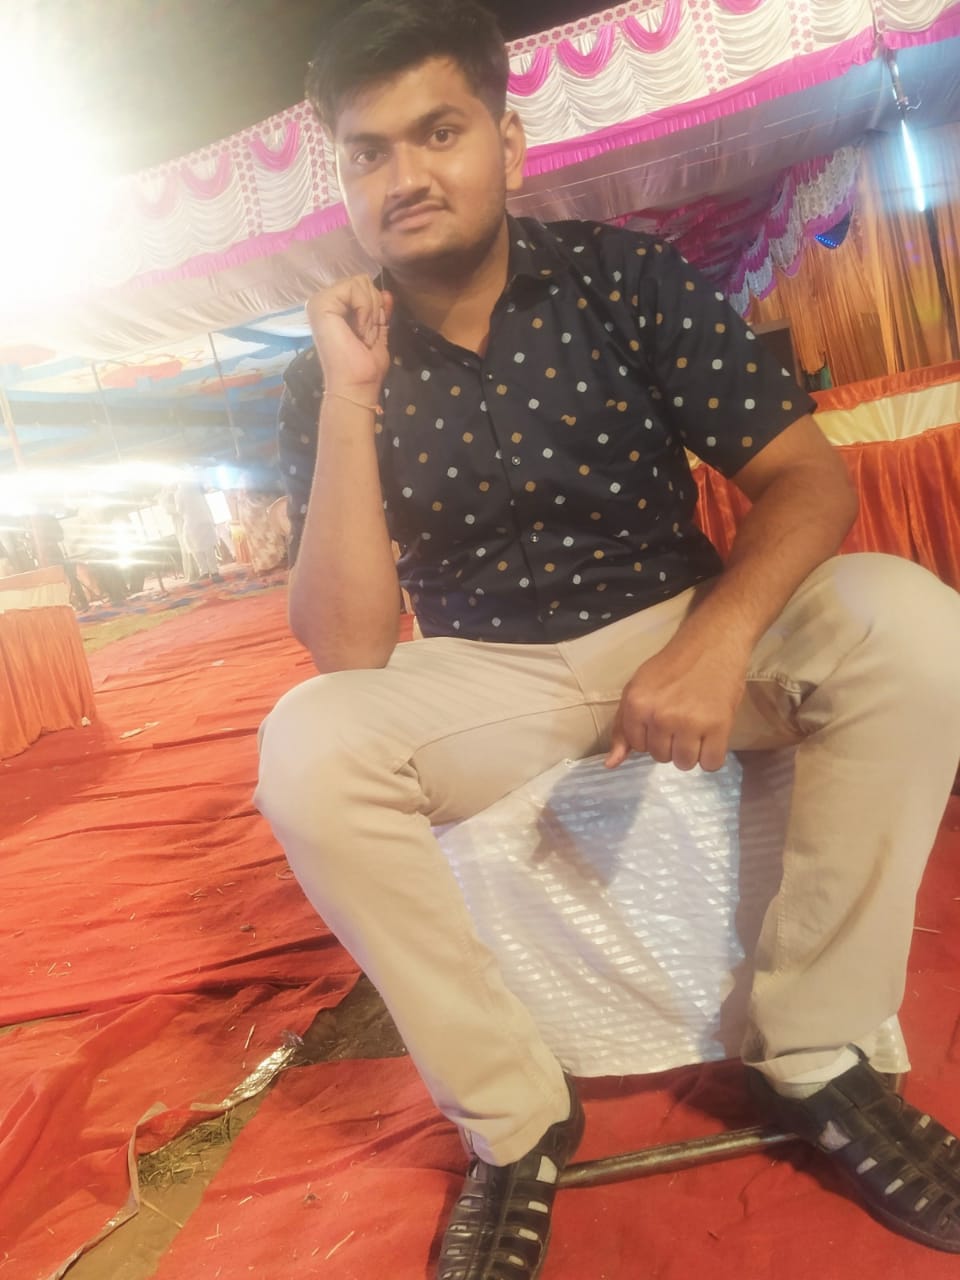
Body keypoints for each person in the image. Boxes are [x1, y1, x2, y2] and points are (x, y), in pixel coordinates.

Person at [254, 3, 960, 1275]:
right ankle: (516, 1118)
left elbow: (807, 480)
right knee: (307, 746)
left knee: (911, 619)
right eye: (367, 153)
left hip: (676, 619)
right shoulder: (329, 367)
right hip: (482, 674)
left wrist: (718, 638)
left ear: (510, 144)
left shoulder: (624, 280)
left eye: (439, 132)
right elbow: (349, 648)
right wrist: (352, 399)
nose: (405, 175)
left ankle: (821, 1048)